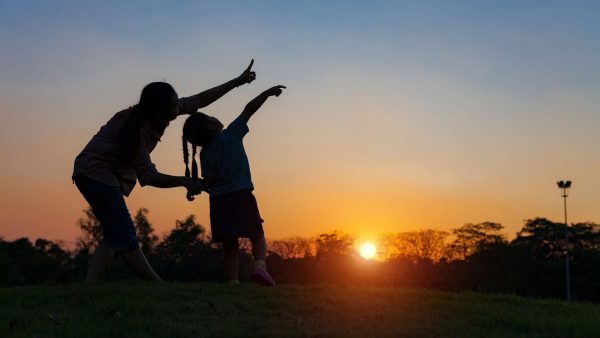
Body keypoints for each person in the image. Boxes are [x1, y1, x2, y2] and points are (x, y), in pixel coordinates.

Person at [73, 60, 257, 282]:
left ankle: (88, 286)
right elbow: (149, 176)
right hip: (95, 173)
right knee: (125, 235)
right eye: (172, 107)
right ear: (158, 112)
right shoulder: (135, 131)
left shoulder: (159, 114)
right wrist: (185, 181)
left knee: (114, 234)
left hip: (99, 173)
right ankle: (158, 285)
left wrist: (236, 82)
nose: (177, 108)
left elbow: (199, 100)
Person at [182, 85, 286, 286]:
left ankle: (233, 281)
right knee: (257, 235)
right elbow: (249, 110)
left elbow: (210, 181)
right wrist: (266, 93)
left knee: (230, 244)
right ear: (211, 126)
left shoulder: (205, 154)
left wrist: (197, 186)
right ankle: (260, 267)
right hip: (241, 195)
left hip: (220, 201)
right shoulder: (231, 134)